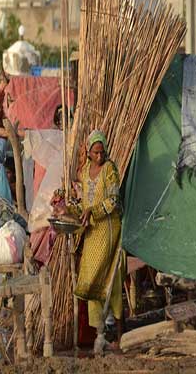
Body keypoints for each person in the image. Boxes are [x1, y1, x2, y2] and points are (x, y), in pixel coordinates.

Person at [74, 129, 125, 347]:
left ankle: (119, 331)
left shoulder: (110, 169)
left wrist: (92, 211)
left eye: (102, 152)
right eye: (95, 152)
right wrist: (70, 210)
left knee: (109, 278)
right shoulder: (85, 172)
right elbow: (84, 202)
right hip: (92, 233)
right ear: (88, 152)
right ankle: (100, 333)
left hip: (108, 230)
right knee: (91, 280)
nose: (99, 156)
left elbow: (113, 200)